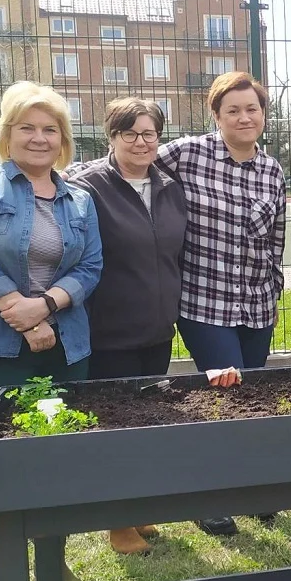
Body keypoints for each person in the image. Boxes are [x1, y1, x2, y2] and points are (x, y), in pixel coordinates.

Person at [0, 81, 102, 581]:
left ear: (63, 139)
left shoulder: (78, 197)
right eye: (27, 127)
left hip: (66, 346)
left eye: (49, 129)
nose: (39, 138)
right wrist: (24, 315)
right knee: (1, 457)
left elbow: (91, 266)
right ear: (7, 134)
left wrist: (49, 306)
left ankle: (52, 560)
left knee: (56, 455)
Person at [154, 71, 287, 537]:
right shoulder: (188, 153)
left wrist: (272, 287)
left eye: (252, 108)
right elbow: (125, 164)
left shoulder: (271, 169)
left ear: (263, 114)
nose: (244, 117)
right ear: (216, 115)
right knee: (224, 392)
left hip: (255, 305)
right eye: (233, 110)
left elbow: (275, 238)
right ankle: (209, 496)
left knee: (250, 398)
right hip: (204, 302)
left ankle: (251, 489)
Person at [67, 97, 186, 554]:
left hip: (157, 329)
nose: (141, 142)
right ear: (111, 137)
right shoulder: (87, 188)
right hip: (109, 331)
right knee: (115, 428)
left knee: (147, 422)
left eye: (150, 133)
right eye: (130, 133)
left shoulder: (168, 186)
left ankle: (137, 508)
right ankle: (117, 524)